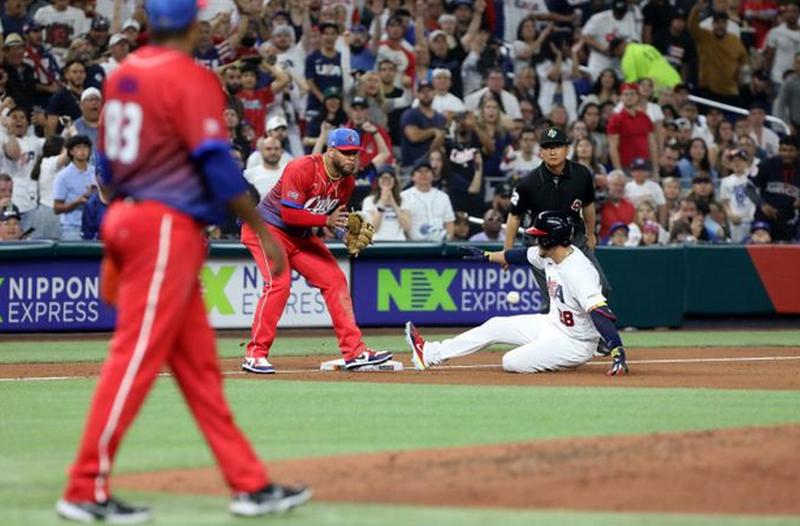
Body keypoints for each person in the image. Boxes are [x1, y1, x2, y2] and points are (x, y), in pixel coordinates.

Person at [55, 1, 311, 523]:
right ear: (194, 26)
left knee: (199, 372)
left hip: (130, 216)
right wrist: (264, 229)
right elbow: (217, 165)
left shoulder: (123, 73)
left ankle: (250, 485)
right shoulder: (188, 78)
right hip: (164, 229)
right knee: (133, 360)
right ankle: (84, 487)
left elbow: (106, 171)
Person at [242, 127, 393, 374]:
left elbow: (334, 220)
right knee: (279, 284)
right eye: (345, 153)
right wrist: (326, 222)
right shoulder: (301, 168)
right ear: (330, 151)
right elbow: (290, 214)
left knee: (334, 279)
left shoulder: (347, 182)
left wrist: (344, 235)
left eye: (354, 153)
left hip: (300, 236)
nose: (351, 158)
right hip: (267, 228)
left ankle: (355, 352)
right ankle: (255, 355)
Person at [405, 210, 629, 375]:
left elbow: (600, 311)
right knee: (494, 325)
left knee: (511, 362)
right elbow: (520, 256)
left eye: (539, 235)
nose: (535, 238)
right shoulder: (549, 255)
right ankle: (430, 353)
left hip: (575, 343)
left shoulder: (577, 270)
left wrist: (617, 350)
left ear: (552, 238)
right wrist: (487, 256)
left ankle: (552, 359)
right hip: (552, 325)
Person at [505, 128, 610, 312]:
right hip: (542, 243)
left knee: (601, 288)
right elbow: (514, 215)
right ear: (541, 152)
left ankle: (592, 337)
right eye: (547, 147)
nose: (552, 152)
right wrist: (507, 249)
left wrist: (591, 234)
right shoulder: (528, 182)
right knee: (554, 300)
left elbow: (588, 207)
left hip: (574, 237)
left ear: (567, 149)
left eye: (557, 146)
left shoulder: (582, 174)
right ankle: (552, 339)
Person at [745, 136, 800, 242]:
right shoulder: (766, 164)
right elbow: (749, 187)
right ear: (779, 150)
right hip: (764, 216)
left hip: (789, 219)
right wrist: (762, 204)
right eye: (784, 150)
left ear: (798, 152)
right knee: (761, 240)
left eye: (791, 151)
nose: (787, 154)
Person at [401, 156, 456, 241]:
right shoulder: (404, 196)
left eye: (427, 171)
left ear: (433, 176)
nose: (424, 174)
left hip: (440, 245)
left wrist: (447, 241)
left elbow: (449, 223)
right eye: (419, 171)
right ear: (412, 177)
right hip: (414, 245)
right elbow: (402, 227)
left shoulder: (443, 197)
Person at [53, 135, 96, 240]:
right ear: (71, 151)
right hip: (72, 228)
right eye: (78, 147)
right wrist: (78, 202)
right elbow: (57, 208)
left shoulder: (95, 172)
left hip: (93, 227)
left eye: (85, 147)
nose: (82, 151)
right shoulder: (63, 176)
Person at [361, 164, 411, 241]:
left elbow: (407, 227)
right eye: (383, 178)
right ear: (378, 181)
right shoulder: (369, 200)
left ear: (394, 180)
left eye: (389, 177)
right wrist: (382, 203)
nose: (386, 180)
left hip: (399, 244)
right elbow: (372, 229)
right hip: (377, 244)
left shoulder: (404, 199)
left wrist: (393, 203)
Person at [719, 148, 757, 242]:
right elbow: (725, 201)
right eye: (733, 161)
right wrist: (730, 215)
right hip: (736, 221)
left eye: (740, 160)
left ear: (746, 162)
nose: (737, 163)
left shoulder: (752, 179)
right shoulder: (726, 181)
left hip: (752, 219)